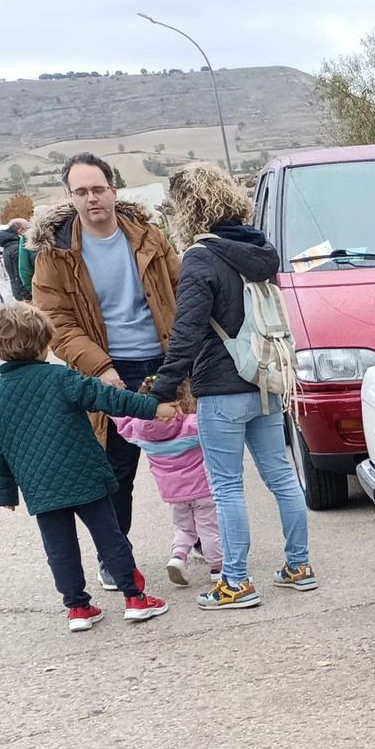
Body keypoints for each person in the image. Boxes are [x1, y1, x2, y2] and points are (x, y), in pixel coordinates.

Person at [151, 162, 313, 610]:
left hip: (222, 389)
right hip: (266, 377)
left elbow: (186, 332)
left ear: (189, 208)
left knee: (226, 487)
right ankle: (299, 566)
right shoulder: (261, 250)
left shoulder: (202, 258)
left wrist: (162, 389)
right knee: (281, 475)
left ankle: (236, 582)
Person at [30, 152, 179, 589]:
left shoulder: (150, 237)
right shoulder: (54, 254)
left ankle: (204, 541)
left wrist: (186, 357)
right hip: (111, 373)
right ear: (69, 197)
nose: (92, 198)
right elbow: (56, 320)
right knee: (117, 473)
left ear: (113, 190)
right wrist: (101, 368)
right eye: (81, 191)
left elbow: (181, 290)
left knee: (189, 458)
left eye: (98, 189)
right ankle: (116, 558)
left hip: (167, 363)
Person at [0, 302, 173, 632]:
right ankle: (135, 598)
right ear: (44, 342)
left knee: (60, 549)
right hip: (85, 476)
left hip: (41, 487)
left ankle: (77, 607)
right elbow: (109, 398)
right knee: (110, 538)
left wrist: (5, 492)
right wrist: (153, 408)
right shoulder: (60, 377)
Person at [110, 394, 222, 586]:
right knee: (209, 529)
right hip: (203, 490)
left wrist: (117, 398)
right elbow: (216, 419)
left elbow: (122, 422)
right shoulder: (192, 424)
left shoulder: (139, 429)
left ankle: (178, 557)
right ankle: (218, 569)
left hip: (173, 494)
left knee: (183, 528)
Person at [0, 217, 33, 302]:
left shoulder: (8, 247)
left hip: (18, 292)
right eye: (28, 228)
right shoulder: (17, 248)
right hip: (25, 294)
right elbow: (20, 272)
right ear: (21, 230)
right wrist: (28, 294)